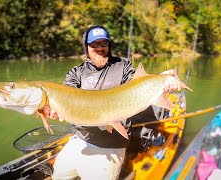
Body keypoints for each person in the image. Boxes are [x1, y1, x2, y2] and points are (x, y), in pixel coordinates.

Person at [44, 25, 181, 180]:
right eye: (94, 45)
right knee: (58, 176)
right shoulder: (76, 73)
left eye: (103, 44)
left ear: (109, 45)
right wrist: (55, 108)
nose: (99, 48)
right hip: (79, 139)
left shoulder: (124, 66)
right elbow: (65, 96)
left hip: (111, 145)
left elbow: (138, 85)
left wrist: (160, 81)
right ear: (86, 47)